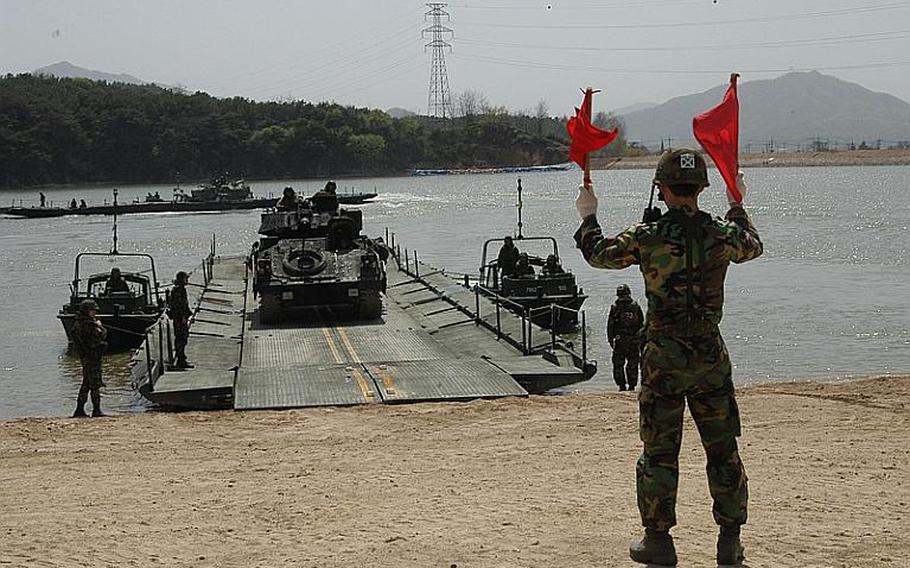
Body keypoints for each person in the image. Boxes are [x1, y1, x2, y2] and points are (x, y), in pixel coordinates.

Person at [574, 148, 762, 566]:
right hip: (710, 353)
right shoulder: (721, 233)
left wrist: (588, 214)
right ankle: (729, 541)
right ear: (701, 188)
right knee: (722, 446)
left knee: (660, 450)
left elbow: (598, 254)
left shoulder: (648, 235)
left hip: (664, 355)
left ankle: (658, 540)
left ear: (661, 189)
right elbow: (753, 246)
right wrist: (737, 207)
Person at [70, 299, 107, 417]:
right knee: (95, 384)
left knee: (86, 384)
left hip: (88, 357)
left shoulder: (81, 323)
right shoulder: (87, 325)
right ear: (86, 311)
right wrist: (100, 327)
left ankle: (79, 410)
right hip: (91, 357)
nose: (94, 313)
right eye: (92, 310)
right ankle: (96, 410)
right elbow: (96, 338)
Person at [607, 284, 644, 391]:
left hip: (622, 340)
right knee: (630, 364)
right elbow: (641, 324)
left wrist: (610, 340)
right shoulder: (634, 306)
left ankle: (624, 386)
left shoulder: (616, 307)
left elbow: (610, 326)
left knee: (621, 364)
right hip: (630, 340)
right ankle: (628, 385)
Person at [168, 271, 194, 369]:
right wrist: (183, 317)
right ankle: (180, 360)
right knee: (181, 338)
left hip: (180, 317)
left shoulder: (179, 289)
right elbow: (179, 305)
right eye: (185, 278)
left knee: (183, 338)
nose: (187, 280)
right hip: (179, 318)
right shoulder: (179, 290)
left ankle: (182, 358)